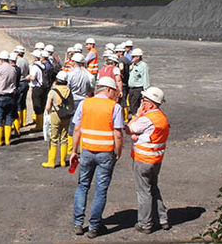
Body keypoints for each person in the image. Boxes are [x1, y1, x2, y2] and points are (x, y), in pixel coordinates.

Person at [70, 76, 125, 239]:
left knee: (82, 185)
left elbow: (77, 129)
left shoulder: (84, 103)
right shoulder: (114, 107)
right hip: (105, 153)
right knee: (101, 189)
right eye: (114, 91)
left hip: (86, 150)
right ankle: (94, 227)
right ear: (108, 89)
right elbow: (118, 134)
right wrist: (118, 151)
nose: (116, 94)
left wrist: (74, 150)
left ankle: (78, 224)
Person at [126, 86, 170, 234]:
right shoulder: (162, 117)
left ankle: (145, 223)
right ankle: (162, 219)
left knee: (143, 192)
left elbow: (129, 129)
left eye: (144, 100)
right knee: (153, 188)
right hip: (156, 160)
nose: (141, 102)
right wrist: (137, 136)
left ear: (151, 103)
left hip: (143, 160)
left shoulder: (146, 119)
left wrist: (137, 115)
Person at [42, 71, 74, 168]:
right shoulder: (68, 90)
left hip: (55, 114)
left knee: (54, 138)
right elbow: (71, 103)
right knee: (64, 137)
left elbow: (48, 107)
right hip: (66, 115)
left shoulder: (53, 91)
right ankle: (63, 161)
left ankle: (51, 161)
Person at [66, 52, 94, 155]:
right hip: (84, 100)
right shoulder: (87, 75)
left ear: (74, 62)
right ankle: (82, 148)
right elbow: (90, 89)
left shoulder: (70, 75)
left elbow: (67, 89)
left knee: (72, 125)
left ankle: (70, 149)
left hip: (73, 100)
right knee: (83, 125)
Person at [27, 49, 47, 131]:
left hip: (36, 88)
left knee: (37, 106)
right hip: (42, 87)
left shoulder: (35, 66)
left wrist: (28, 77)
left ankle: (39, 126)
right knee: (41, 106)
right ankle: (41, 123)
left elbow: (33, 77)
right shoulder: (42, 65)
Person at [127, 48, 150, 119]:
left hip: (138, 88)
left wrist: (145, 89)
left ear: (138, 57)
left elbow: (145, 77)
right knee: (131, 103)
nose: (132, 58)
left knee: (134, 105)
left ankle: (135, 119)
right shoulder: (132, 65)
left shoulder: (143, 65)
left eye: (133, 56)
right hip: (131, 88)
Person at [15, 46, 30, 128]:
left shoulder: (19, 62)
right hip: (25, 83)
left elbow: (16, 73)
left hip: (20, 82)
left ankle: (18, 122)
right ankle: (23, 121)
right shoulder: (26, 61)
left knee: (18, 103)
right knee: (23, 103)